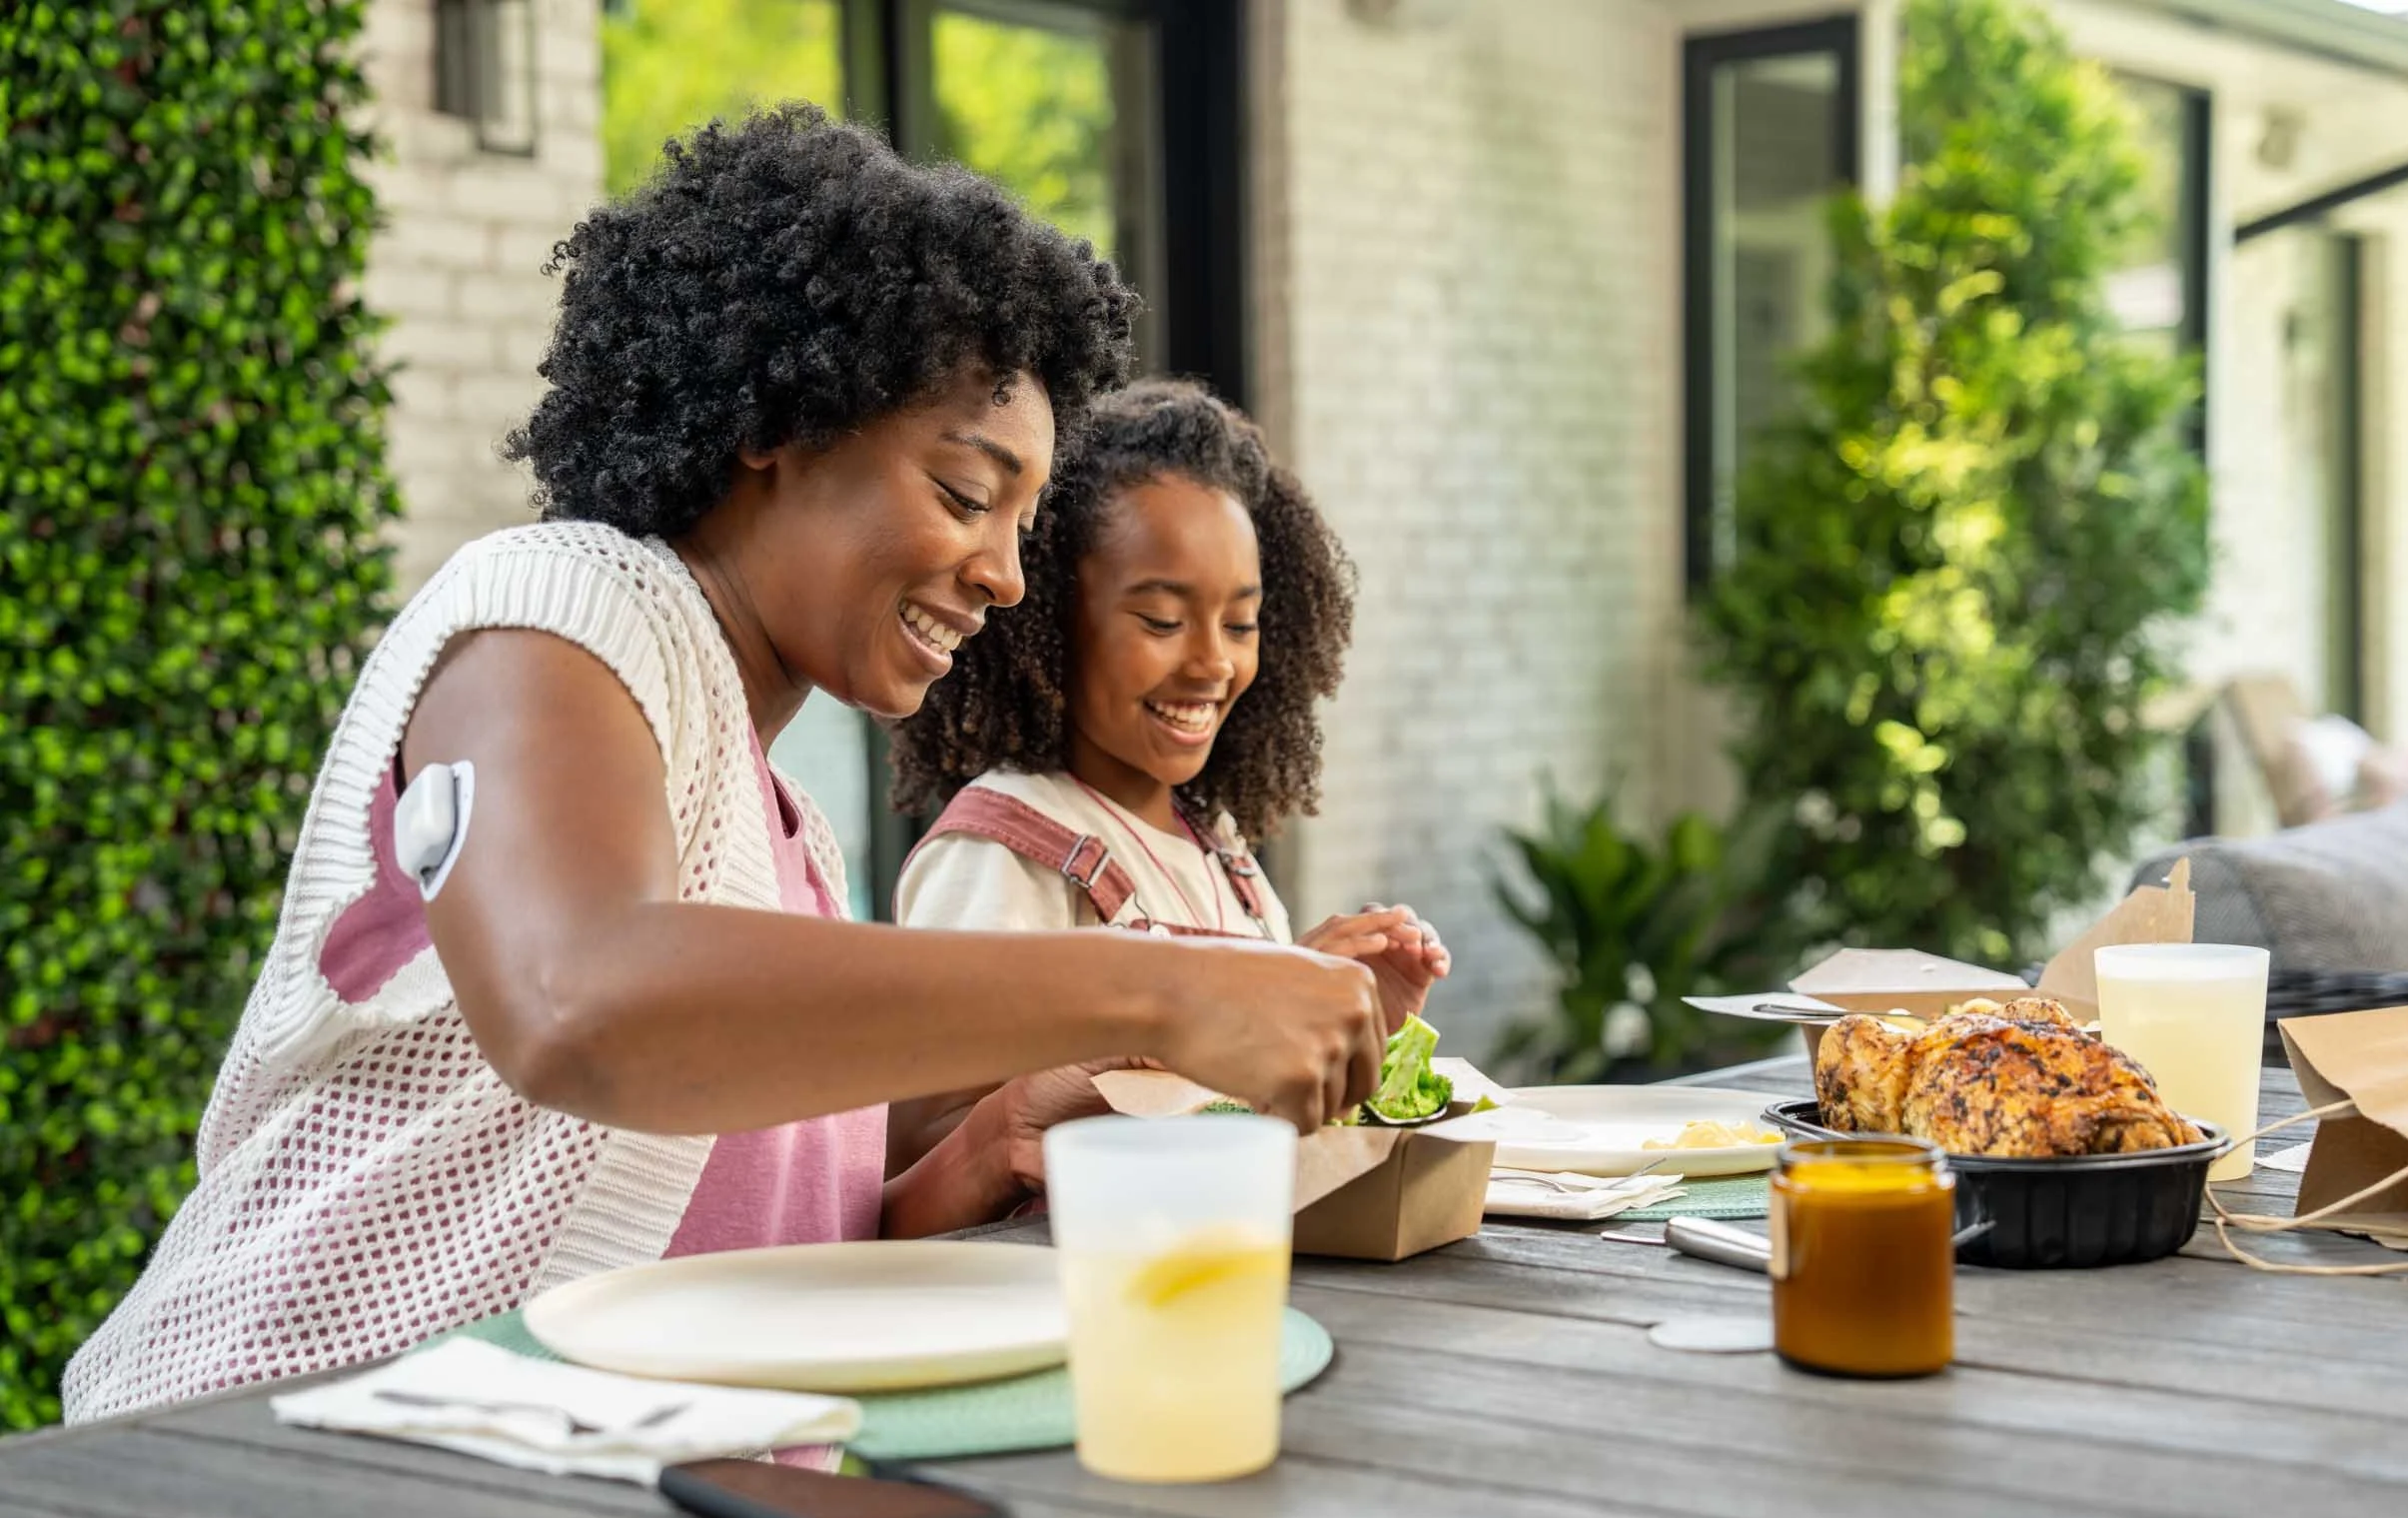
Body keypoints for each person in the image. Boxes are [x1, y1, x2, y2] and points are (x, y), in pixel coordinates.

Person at [64, 115, 1386, 1423]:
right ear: (785, 427)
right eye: (970, 493)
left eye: (1028, 525)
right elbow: (579, 1004)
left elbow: (709, 1241)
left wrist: (967, 1156)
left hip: (517, 1508)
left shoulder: (787, 831)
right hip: (252, 1467)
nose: (1005, 571)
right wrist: (1163, 986)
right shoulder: (559, 603)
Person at [886, 380, 1449, 1159]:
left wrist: (1347, 1029)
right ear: (1048, 618)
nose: (1213, 661)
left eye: (1241, 622)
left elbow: (1236, 1116)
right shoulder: (1003, 849)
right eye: (1162, 621)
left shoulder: (1218, 846)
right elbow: (926, 1151)